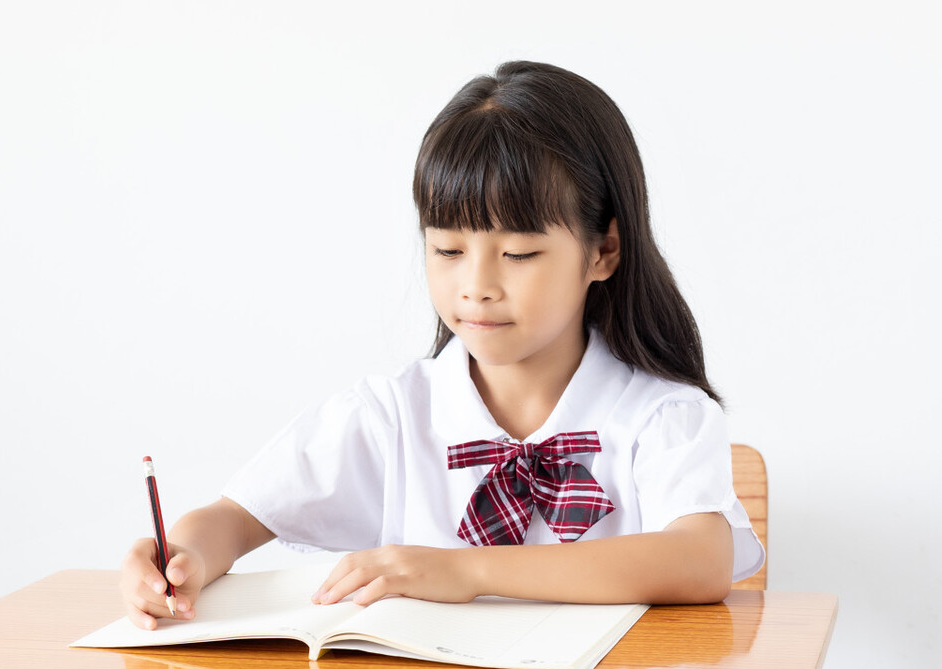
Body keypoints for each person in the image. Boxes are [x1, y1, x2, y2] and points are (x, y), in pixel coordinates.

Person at [120, 61, 765, 630]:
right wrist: (182, 557)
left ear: (603, 250)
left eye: (518, 252)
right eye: (448, 250)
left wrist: (469, 572)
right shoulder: (391, 416)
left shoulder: (660, 417)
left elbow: (701, 560)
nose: (476, 287)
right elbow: (234, 518)